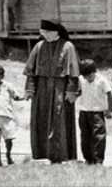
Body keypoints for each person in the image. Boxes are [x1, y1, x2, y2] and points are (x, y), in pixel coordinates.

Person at [24, 19, 80, 163]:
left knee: (58, 120)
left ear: (56, 32)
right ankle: (42, 154)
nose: (46, 35)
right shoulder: (38, 46)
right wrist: (30, 89)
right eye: (43, 33)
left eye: (48, 32)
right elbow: (31, 71)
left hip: (60, 89)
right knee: (41, 118)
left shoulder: (68, 47)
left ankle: (60, 155)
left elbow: (73, 73)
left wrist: (71, 91)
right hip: (41, 89)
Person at [77, 59, 112, 165]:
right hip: (84, 112)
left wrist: (109, 110)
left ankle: (98, 160)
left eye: (89, 76)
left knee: (98, 137)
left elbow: (109, 94)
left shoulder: (102, 80)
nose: (87, 79)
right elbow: (79, 91)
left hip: (97, 113)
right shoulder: (81, 79)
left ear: (94, 72)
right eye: (84, 77)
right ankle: (88, 159)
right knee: (85, 136)